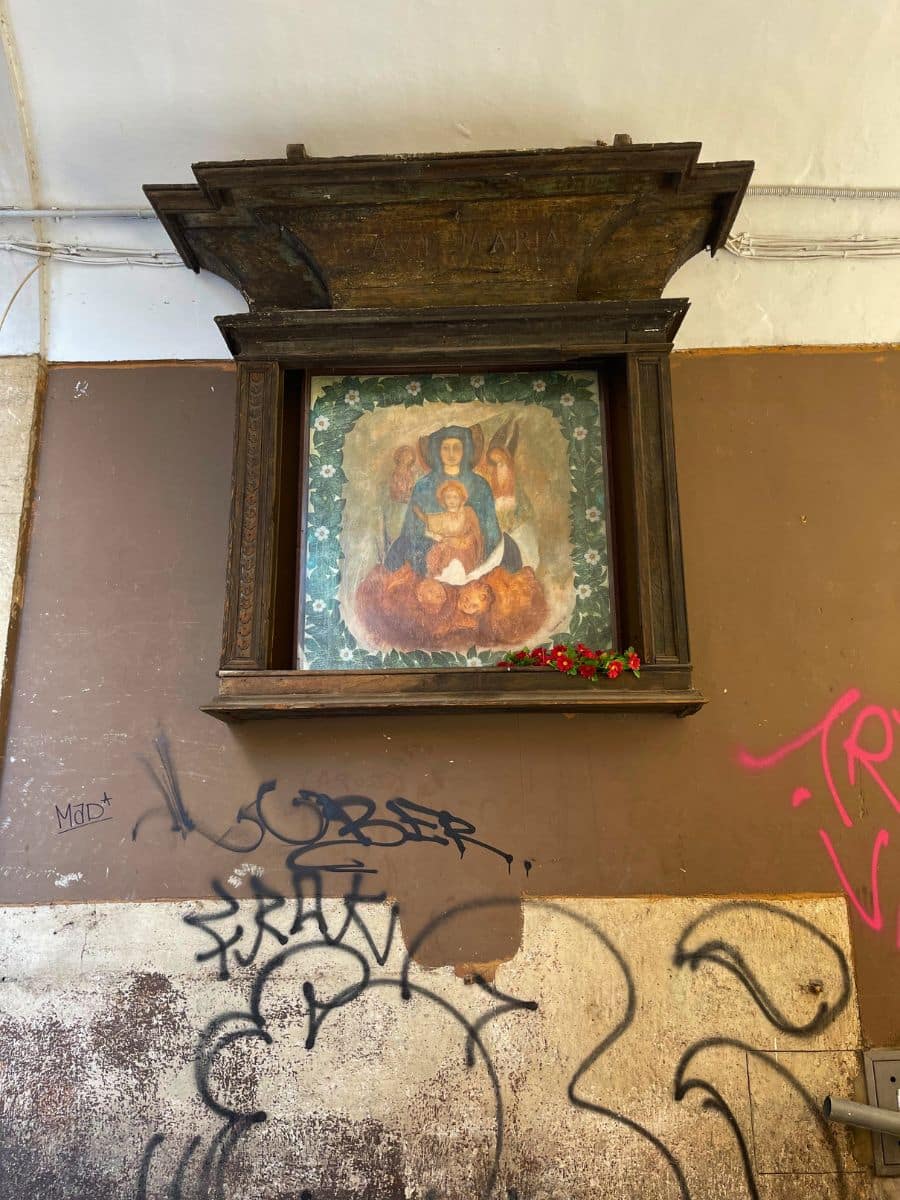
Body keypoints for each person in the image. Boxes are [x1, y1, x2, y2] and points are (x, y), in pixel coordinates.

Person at [386, 424, 520, 578]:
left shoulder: (480, 485)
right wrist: (438, 544)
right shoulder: (423, 486)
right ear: (437, 450)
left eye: (457, 447)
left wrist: (467, 543)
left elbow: (490, 530)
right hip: (433, 555)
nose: (451, 453)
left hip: (472, 555)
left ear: (465, 450)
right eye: (445, 448)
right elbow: (411, 530)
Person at [414, 480, 484, 577]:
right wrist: (416, 509)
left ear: (461, 499)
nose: (452, 500)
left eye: (455, 497)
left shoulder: (468, 512)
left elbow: (475, 534)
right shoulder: (442, 517)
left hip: (464, 551)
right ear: (443, 500)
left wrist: (461, 542)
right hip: (446, 551)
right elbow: (426, 520)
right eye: (448, 497)